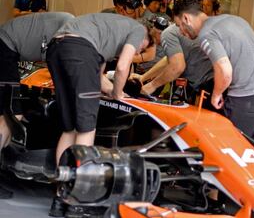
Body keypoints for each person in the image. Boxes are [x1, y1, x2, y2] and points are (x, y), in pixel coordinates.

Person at [46, 14, 152, 217]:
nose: (138, 51)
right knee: (87, 128)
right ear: (145, 38)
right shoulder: (138, 30)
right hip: (79, 51)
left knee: (70, 129)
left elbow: (97, 77)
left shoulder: (105, 33)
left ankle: (60, 195)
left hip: (56, 50)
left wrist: (112, 91)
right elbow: (123, 67)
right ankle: (77, 199)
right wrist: (119, 95)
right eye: (141, 49)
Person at [172, 0, 254, 145]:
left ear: (186, 18)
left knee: (227, 149)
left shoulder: (206, 34)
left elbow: (224, 70)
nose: (181, 32)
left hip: (245, 100)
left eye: (179, 25)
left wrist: (216, 95)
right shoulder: (236, 20)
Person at [0, 12, 74, 199]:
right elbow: (57, 62)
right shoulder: (68, 28)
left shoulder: (67, 24)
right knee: (11, 115)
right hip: (4, 47)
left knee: (8, 114)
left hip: (7, 47)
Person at [131, 17, 214, 106]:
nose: (153, 44)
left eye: (152, 41)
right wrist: (143, 77)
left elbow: (177, 67)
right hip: (206, 80)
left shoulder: (167, 34)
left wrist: (152, 86)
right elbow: (167, 60)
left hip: (209, 82)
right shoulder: (174, 32)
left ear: (158, 32)